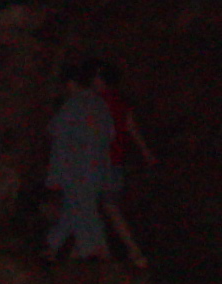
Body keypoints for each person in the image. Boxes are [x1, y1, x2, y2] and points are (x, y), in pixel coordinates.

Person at [44, 60, 116, 261]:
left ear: (70, 84)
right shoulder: (100, 105)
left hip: (77, 169)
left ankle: (97, 254)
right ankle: (52, 246)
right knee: (75, 208)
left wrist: (54, 176)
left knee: (83, 211)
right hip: (96, 169)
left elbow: (58, 136)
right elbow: (109, 137)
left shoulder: (73, 105)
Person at [90, 59, 152, 268]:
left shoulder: (96, 102)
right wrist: (146, 152)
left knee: (100, 206)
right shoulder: (121, 102)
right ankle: (113, 252)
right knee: (107, 207)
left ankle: (127, 251)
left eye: (97, 77)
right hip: (115, 162)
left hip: (101, 162)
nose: (94, 80)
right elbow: (131, 128)